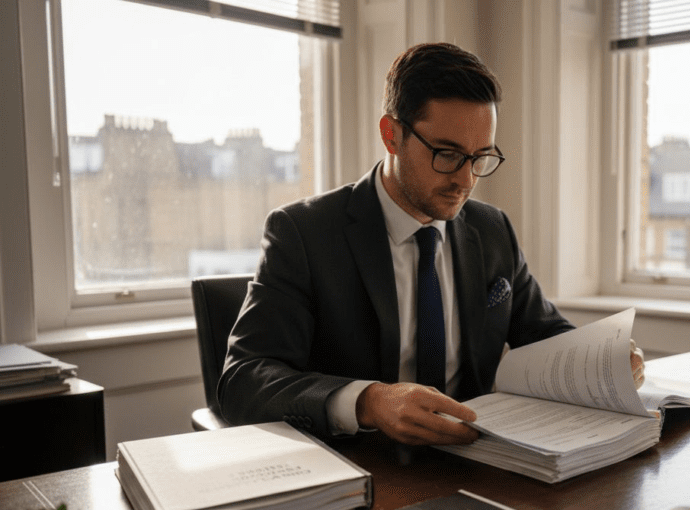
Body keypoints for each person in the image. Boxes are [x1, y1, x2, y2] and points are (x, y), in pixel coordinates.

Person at [220, 42, 642, 446]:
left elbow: (544, 335)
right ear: (391, 135)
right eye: (447, 154)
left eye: (481, 157)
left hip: (479, 460)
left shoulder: (492, 229)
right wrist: (368, 401)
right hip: (361, 467)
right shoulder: (303, 232)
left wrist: (600, 361)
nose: (465, 179)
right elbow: (244, 377)